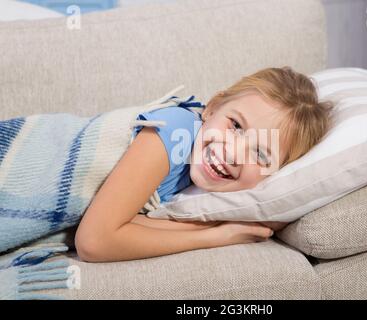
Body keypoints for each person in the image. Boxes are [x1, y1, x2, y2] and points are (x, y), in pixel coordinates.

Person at [75, 66, 332, 262]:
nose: (233, 153)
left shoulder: (194, 178)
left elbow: (121, 223)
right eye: (236, 126)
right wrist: (215, 237)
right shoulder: (175, 131)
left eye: (260, 155)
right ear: (213, 107)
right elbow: (94, 240)